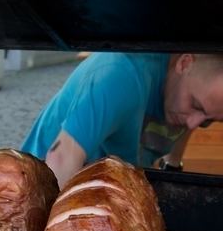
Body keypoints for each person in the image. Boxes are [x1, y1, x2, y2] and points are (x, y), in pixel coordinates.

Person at [20, 52, 223, 187]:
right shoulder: (122, 74)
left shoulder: (191, 100)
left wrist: (173, 165)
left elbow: (193, 122)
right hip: (43, 186)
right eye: (195, 105)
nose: (192, 123)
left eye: (208, 122)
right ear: (185, 63)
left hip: (111, 190)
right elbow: (61, 159)